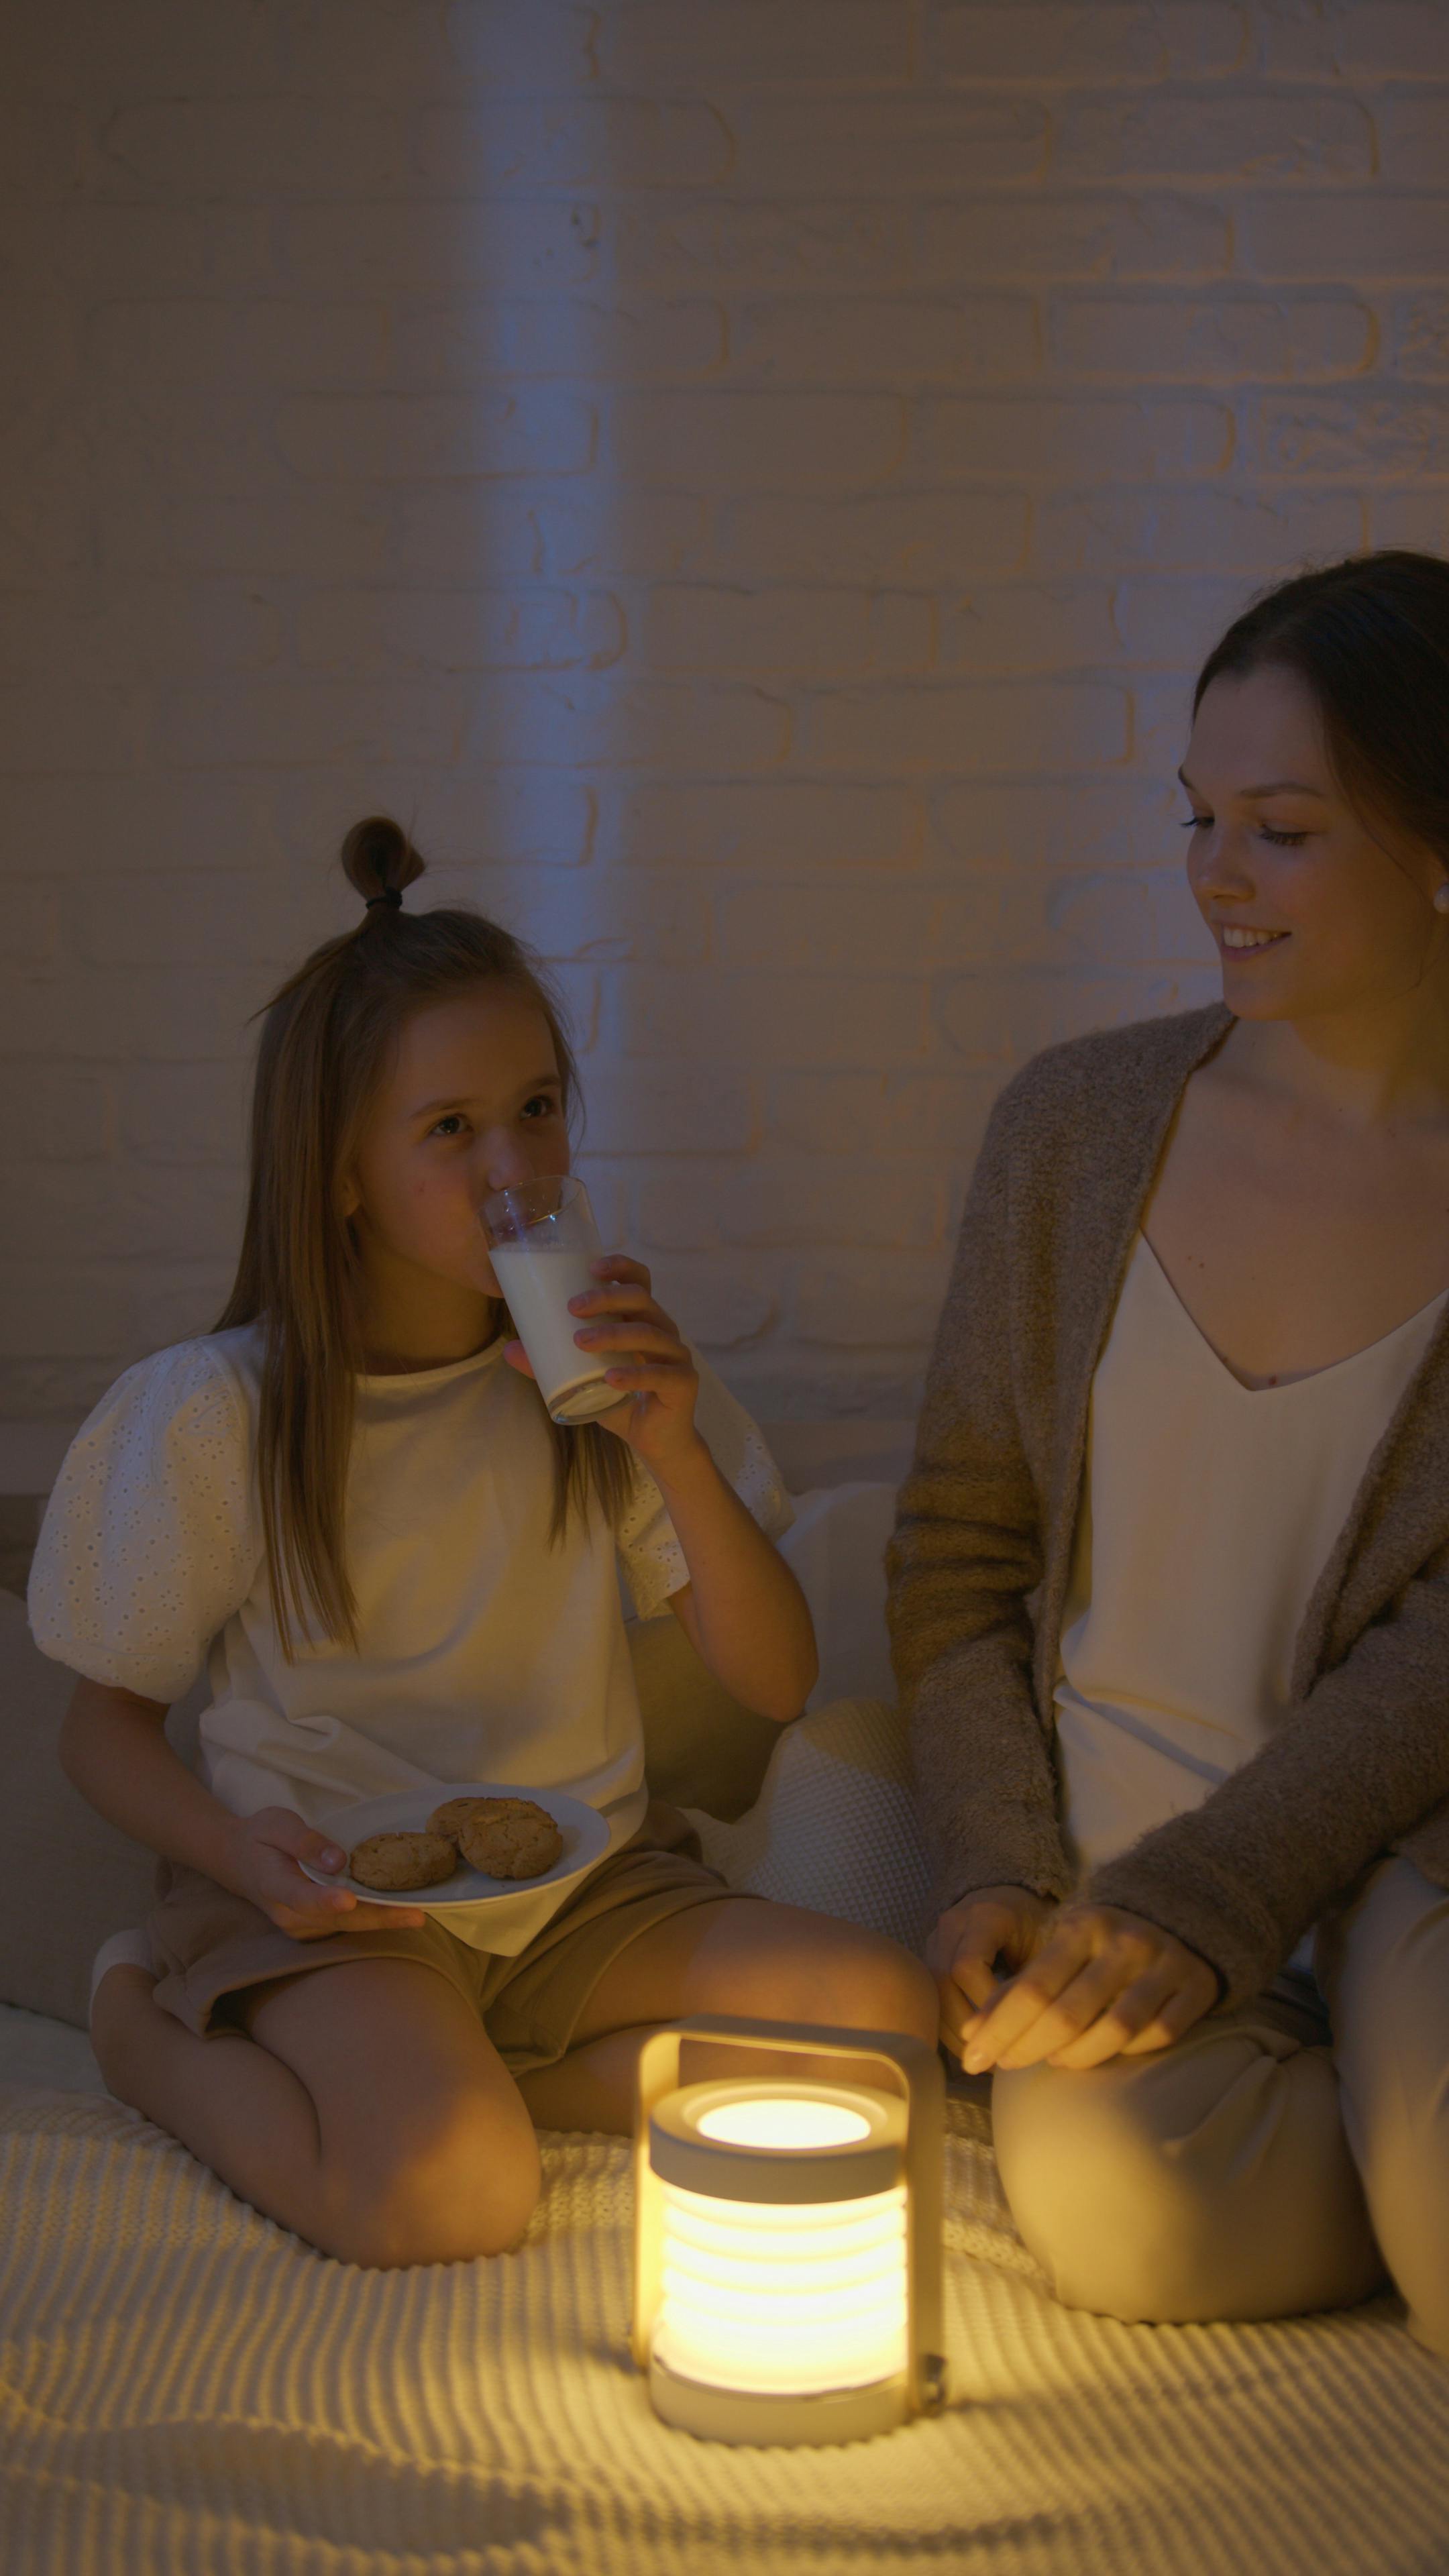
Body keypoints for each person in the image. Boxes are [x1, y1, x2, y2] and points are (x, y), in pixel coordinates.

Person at [32, 817, 934, 2268]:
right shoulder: (221, 1415)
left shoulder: (595, 1381)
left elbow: (775, 1684)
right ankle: (150, 2029)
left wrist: (673, 1445)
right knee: (453, 2199)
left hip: (583, 1884)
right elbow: (101, 1732)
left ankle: (496, 2079)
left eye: (536, 1110)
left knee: (890, 2022)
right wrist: (233, 1852)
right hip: (344, 1902)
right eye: (451, 1131)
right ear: (342, 1175)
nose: (514, 1164)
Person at [888, 549, 1449, 2355]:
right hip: (1109, 1902)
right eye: (1199, 818)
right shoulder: (1076, 1129)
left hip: (1391, 1854)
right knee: (1139, 2228)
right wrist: (994, 1867)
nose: (1214, 877)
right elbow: (959, 1554)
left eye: (1280, 830)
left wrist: (1233, 1898)